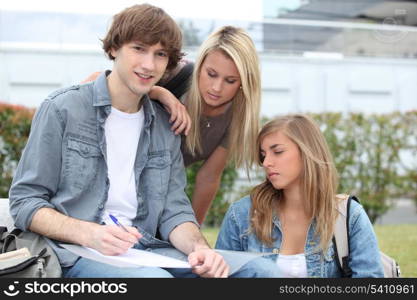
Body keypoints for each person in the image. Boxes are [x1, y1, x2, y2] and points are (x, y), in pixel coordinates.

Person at [8, 4, 278, 278]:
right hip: (75, 251)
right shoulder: (61, 109)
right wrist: (90, 233)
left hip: (147, 249)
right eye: (139, 49)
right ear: (114, 48)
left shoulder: (165, 125)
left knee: (262, 272)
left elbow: (174, 210)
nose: (149, 65)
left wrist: (200, 249)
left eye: (160, 55)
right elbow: (25, 201)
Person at [215, 114, 384, 277]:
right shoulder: (241, 214)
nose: (266, 163)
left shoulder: (349, 215)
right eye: (263, 155)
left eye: (278, 151)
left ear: (307, 153)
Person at [150, 26, 261, 224]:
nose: (217, 88)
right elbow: (109, 83)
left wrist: (194, 229)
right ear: (200, 65)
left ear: (244, 82)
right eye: (211, 74)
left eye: (230, 80)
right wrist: (160, 93)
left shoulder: (236, 116)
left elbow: (208, 177)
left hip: (161, 193)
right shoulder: (175, 74)